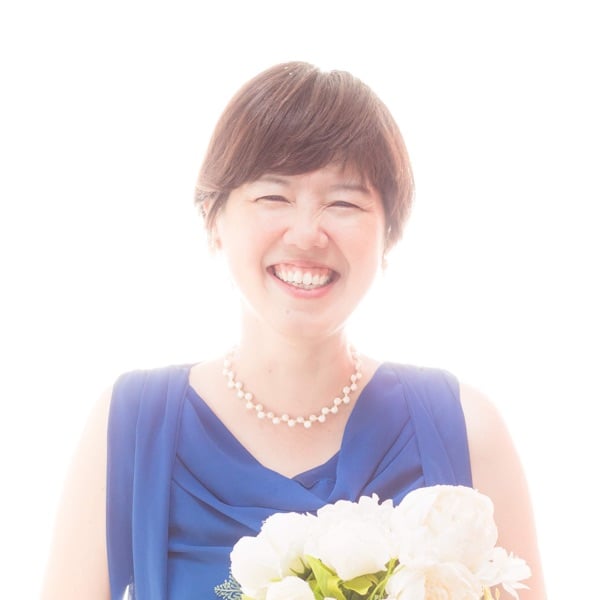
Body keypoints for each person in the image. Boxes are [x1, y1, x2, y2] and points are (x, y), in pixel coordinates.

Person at [41, 62, 546, 599]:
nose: (307, 234)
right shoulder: (132, 425)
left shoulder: (465, 428)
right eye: (273, 197)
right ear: (214, 218)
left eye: (344, 203)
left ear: (389, 233)